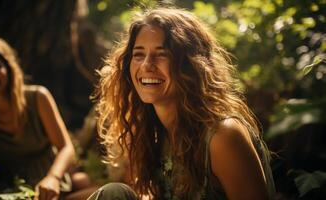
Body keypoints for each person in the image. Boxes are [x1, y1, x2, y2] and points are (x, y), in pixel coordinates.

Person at [88, 7, 276, 200]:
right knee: (114, 193)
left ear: (191, 64)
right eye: (138, 54)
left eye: (162, 54)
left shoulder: (222, 136)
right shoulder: (155, 134)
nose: (146, 65)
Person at [0, 35, 91, 199]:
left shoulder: (37, 97)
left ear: (8, 67)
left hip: (47, 184)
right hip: (5, 187)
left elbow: (66, 148)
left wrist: (53, 178)